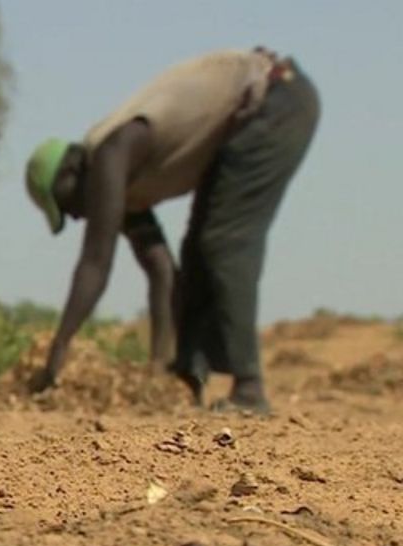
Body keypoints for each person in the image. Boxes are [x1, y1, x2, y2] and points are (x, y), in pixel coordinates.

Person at [24, 48, 320, 413]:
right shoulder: (123, 186)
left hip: (277, 101)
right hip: (256, 114)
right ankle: (186, 381)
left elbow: (95, 265)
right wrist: (159, 368)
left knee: (225, 241)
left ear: (72, 172)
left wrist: (55, 356)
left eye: (66, 204)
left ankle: (249, 388)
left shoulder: (111, 154)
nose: (75, 217)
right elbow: (161, 270)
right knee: (196, 250)